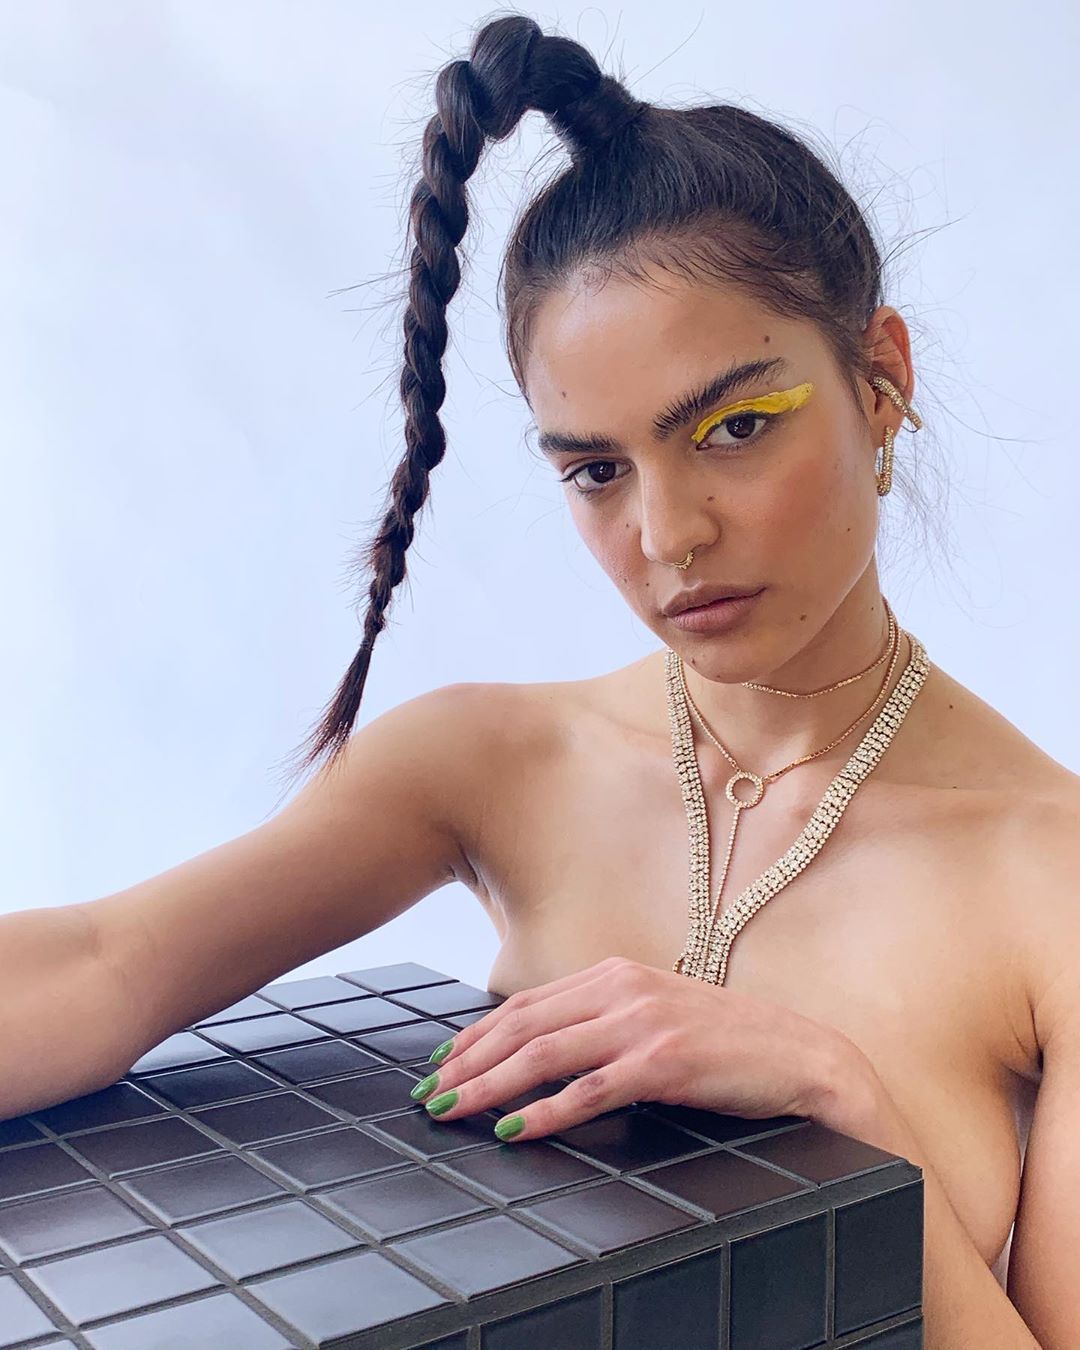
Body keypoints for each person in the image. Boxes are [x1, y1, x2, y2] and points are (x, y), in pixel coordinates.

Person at [3, 14, 1075, 1348]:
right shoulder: (487, 765)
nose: (668, 534)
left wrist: (842, 1101)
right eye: (597, 470)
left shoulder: (1054, 880)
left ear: (883, 381)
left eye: (736, 427)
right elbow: (105, 965)